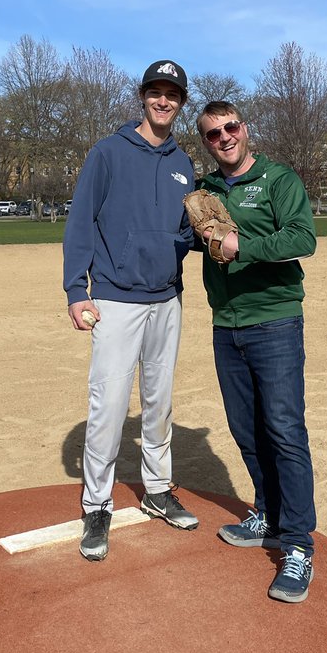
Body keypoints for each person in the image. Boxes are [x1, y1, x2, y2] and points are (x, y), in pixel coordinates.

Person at [63, 61, 199, 561]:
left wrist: (204, 237)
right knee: (109, 406)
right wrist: (77, 290)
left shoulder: (184, 161)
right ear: (142, 97)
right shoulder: (108, 153)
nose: (164, 101)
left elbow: (184, 235)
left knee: (159, 402)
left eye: (173, 94)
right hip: (117, 299)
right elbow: (80, 222)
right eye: (156, 92)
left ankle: (158, 489)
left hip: (167, 298)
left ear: (181, 102)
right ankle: (97, 504)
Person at [195, 100, 318, 602]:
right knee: (246, 430)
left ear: (244, 129)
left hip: (274, 322)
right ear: (204, 142)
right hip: (227, 325)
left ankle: (297, 543)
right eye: (211, 133)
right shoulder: (206, 191)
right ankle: (267, 513)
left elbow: (302, 238)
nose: (223, 137)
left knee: (284, 431)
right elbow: (197, 241)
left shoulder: (278, 179)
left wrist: (238, 244)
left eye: (230, 127)